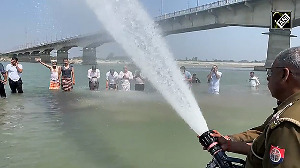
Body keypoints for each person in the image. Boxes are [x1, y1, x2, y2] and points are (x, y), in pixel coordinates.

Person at [208, 47, 300, 168]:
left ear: (284, 74)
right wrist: (229, 142)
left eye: (271, 72)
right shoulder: (288, 109)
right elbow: (263, 134)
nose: (268, 78)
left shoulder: (286, 124)